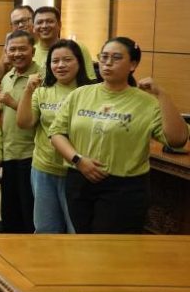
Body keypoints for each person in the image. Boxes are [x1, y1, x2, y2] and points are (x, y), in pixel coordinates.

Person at [49, 37, 188, 234]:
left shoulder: (146, 102)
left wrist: (162, 95)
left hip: (124, 187)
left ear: (133, 64)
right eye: (104, 57)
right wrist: (78, 160)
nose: (107, 63)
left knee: (110, 247)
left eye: (116, 58)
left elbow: (177, 139)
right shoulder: (80, 94)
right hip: (80, 179)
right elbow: (56, 133)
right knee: (82, 240)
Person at [16, 39, 91, 233]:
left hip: (77, 171)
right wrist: (28, 90)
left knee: (76, 229)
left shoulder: (90, 93)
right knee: (46, 229)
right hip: (44, 169)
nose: (60, 65)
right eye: (55, 61)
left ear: (79, 63)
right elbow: (24, 123)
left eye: (67, 60)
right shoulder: (42, 92)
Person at [0, 30, 40, 234]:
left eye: (22, 49)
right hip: (9, 152)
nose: (17, 53)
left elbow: (37, 117)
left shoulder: (40, 77)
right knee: (9, 209)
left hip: (31, 154)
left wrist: (13, 103)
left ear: (33, 50)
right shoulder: (8, 76)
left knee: (28, 210)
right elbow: (2, 117)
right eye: (12, 49)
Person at [33, 6, 96, 81]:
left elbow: (91, 81)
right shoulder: (29, 52)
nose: (44, 26)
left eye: (50, 21)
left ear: (59, 25)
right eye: (39, 22)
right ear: (33, 27)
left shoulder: (78, 47)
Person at [0, 5, 34, 78]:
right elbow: (0, 78)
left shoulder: (43, 43)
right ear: (11, 26)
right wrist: (6, 45)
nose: (21, 25)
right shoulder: (11, 45)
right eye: (16, 23)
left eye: (24, 21)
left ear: (33, 21)